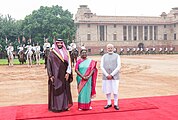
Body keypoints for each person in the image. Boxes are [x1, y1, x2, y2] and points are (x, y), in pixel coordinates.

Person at [47, 38, 73, 112]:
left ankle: (65, 106)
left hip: (64, 75)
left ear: (63, 44)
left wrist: (68, 73)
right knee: (57, 91)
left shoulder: (67, 52)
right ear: (56, 44)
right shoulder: (52, 53)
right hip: (56, 76)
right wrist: (50, 75)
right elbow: (49, 65)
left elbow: (69, 65)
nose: (59, 44)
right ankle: (57, 107)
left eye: (61, 43)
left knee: (65, 90)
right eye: (58, 43)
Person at [100, 44, 121, 110]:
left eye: (111, 48)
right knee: (107, 90)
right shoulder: (104, 56)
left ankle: (115, 104)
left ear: (113, 48)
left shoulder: (117, 56)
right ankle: (109, 103)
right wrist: (107, 75)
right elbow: (101, 66)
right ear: (107, 49)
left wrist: (112, 75)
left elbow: (118, 66)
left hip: (115, 77)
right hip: (106, 77)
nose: (110, 49)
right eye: (109, 48)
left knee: (115, 90)